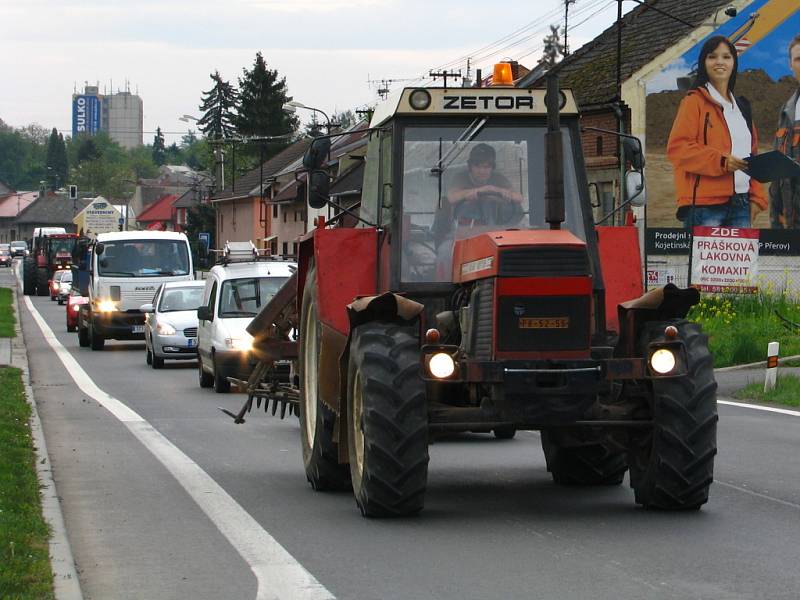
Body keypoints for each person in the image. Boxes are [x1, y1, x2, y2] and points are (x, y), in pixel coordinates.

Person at [667, 35, 767, 229]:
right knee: (704, 261)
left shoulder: (742, 108)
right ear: (704, 63)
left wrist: (756, 198)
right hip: (704, 207)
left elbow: (752, 156)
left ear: (734, 63)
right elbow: (678, 149)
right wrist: (722, 161)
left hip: (742, 205)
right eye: (712, 56)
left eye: (726, 57)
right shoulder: (693, 101)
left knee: (739, 261)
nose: (720, 62)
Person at [445, 143, 524, 226]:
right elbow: (451, 198)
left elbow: (519, 198)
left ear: (492, 167)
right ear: (470, 166)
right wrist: (479, 191)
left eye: (486, 167)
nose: (482, 171)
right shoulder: (461, 178)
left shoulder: (498, 178)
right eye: (477, 167)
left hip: (496, 230)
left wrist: (496, 191)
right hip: (466, 230)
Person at [769, 34, 800, 229]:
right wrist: (776, 221)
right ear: (791, 65)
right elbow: (777, 173)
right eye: (798, 59)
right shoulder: (787, 110)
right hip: (793, 223)